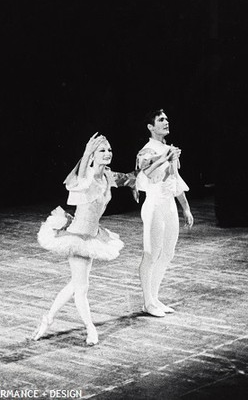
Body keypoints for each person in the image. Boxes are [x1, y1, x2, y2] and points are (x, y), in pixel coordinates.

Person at [32, 133, 136, 345]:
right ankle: (90, 328)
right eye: (102, 151)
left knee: (75, 285)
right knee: (81, 288)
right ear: (92, 155)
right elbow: (77, 181)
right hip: (77, 237)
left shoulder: (108, 176)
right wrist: (87, 151)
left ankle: (48, 319)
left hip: (93, 236)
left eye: (109, 150)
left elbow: (131, 177)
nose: (107, 154)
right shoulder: (86, 177)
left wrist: (147, 168)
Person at [136, 109, 194, 317]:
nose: (166, 122)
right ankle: (147, 301)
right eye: (161, 120)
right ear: (151, 127)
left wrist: (185, 208)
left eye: (167, 119)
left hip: (169, 205)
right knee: (151, 254)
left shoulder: (170, 149)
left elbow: (175, 181)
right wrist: (165, 157)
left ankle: (154, 297)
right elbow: (145, 175)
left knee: (168, 253)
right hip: (153, 206)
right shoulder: (146, 151)